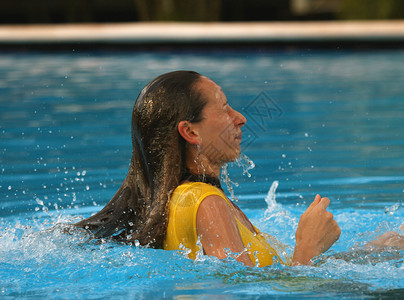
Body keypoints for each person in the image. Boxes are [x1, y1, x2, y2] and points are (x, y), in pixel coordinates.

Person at [75, 70, 341, 267]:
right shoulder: (207, 203)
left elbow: (262, 275)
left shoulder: (185, 198)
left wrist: (369, 253)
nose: (241, 118)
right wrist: (308, 248)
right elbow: (238, 293)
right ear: (190, 131)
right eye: (225, 109)